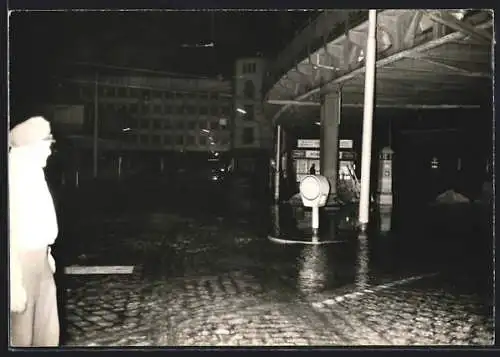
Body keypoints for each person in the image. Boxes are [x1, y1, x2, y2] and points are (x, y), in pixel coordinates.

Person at [9, 116, 59, 347]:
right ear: (30, 146)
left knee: (46, 332)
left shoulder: (34, 173)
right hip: (20, 265)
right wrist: (13, 283)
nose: (50, 152)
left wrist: (47, 255)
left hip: (40, 261)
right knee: (21, 336)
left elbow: (39, 220)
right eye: (47, 146)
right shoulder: (13, 176)